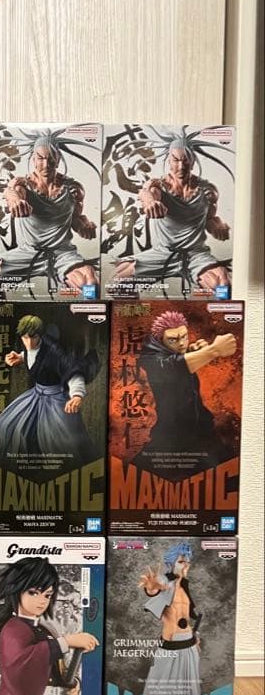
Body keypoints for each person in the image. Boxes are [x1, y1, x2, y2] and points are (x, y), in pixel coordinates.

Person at [0, 557, 99, 695]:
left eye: (47, 595)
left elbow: (53, 669)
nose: (42, 601)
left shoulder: (45, 629)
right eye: (33, 593)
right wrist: (67, 642)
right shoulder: (13, 628)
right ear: (16, 590)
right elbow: (21, 666)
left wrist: (72, 682)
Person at [0, 131, 97, 294]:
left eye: (51, 158)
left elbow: (76, 218)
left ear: (58, 160)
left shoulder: (73, 188)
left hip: (62, 253)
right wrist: (15, 201)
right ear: (33, 160)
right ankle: (3, 310)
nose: (46, 164)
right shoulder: (22, 185)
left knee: (90, 283)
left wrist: (85, 226)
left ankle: (91, 310)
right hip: (28, 253)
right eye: (40, 158)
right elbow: (11, 193)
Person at [113, 132, 231, 292]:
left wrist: (218, 226)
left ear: (193, 161)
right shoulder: (158, 185)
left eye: (185, 160)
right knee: (117, 283)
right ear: (168, 160)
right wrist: (150, 203)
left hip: (196, 254)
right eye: (175, 160)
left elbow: (210, 218)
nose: (181, 166)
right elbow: (146, 193)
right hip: (163, 253)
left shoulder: (208, 190)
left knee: (223, 285)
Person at [136, 310, 237, 474]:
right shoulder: (151, 359)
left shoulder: (175, 352)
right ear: (161, 341)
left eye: (184, 337)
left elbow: (180, 367)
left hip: (201, 432)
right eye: (173, 340)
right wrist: (214, 350)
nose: (182, 343)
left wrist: (193, 352)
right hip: (171, 436)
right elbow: (174, 366)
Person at [0, 314, 99, 469]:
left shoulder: (54, 350)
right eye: (25, 338)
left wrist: (77, 395)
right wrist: (20, 357)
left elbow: (71, 370)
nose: (29, 342)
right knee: (5, 423)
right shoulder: (29, 345)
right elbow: (33, 356)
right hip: (36, 396)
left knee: (60, 442)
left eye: (34, 337)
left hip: (55, 399)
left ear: (40, 335)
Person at [138, 543, 201, 695]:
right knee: (160, 693)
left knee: (190, 690)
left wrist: (196, 637)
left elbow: (187, 616)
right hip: (170, 646)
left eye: (187, 562)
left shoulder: (185, 587)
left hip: (189, 645)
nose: (185, 565)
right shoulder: (166, 582)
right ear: (171, 563)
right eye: (181, 561)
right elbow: (155, 587)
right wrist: (151, 588)